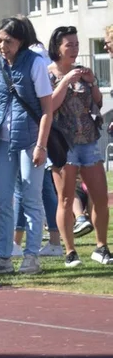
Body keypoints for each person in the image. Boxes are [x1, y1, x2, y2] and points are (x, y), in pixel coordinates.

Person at [0, 17, 53, 276]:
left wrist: (41, 146)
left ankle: (31, 256)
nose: (2, 46)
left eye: (8, 41)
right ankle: (2, 257)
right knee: (0, 200)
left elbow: (47, 109)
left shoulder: (36, 63)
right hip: (2, 141)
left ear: (21, 41)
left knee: (31, 199)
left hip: (30, 140)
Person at [46, 26, 110, 267]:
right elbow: (49, 106)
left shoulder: (82, 72)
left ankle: (101, 247)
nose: (74, 49)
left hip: (88, 140)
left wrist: (92, 84)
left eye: (76, 44)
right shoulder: (48, 74)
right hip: (63, 144)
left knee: (100, 197)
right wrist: (64, 82)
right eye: (68, 45)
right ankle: (70, 251)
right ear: (57, 48)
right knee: (65, 199)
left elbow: (97, 102)